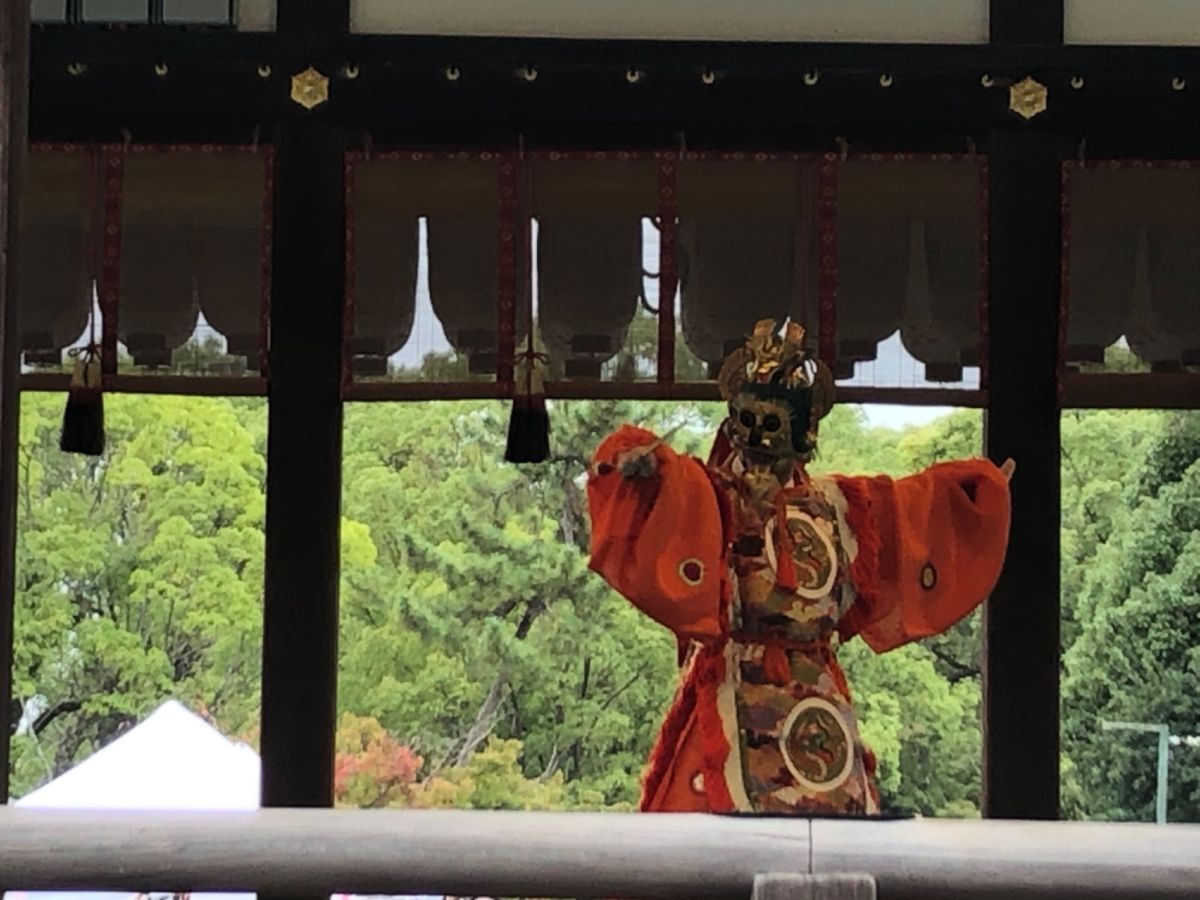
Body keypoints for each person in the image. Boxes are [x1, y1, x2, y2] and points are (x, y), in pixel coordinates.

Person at [586, 319, 1013, 815]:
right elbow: (671, 490)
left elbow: (915, 509)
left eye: (772, 425)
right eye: (744, 422)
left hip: (816, 691)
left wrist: (976, 496)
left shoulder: (839, 505)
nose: (756, 439)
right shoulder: (714, 497)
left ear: (803, 432)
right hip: (734, 682)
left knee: (838, 822)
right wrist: (642, 471)